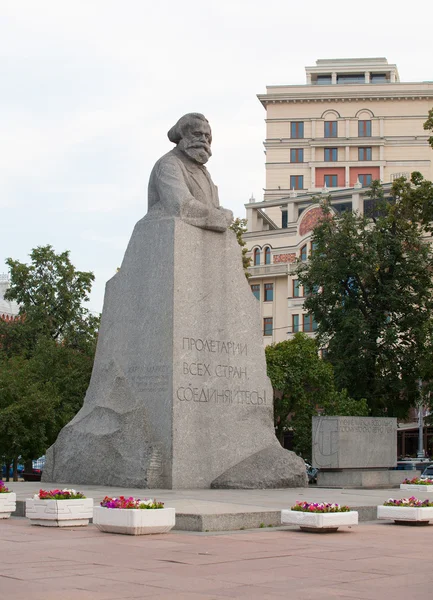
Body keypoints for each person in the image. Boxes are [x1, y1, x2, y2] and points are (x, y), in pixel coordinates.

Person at [147, 113, 233, 232]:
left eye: (207, 136)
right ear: (183, 135)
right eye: (197, 134)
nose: (203, 140)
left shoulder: (204, 172)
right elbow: (182, 206)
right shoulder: (169, 164)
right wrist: (220, 217)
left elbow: (212, 206)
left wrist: (223, 212)